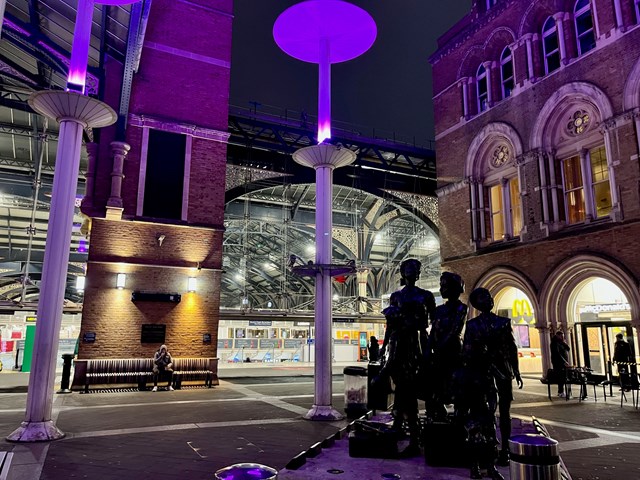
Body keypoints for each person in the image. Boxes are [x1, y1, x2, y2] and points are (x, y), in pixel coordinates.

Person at [378, 258, 436, 457]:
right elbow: (391, 325)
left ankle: (411, 433)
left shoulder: (426, 296)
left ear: (418, 273)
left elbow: (434, 323)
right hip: (400, 343)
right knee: (402, 387)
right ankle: (405, 430)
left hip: (418, 343)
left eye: (415, 268)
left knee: (413, 390)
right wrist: (384, 347)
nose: (412, 271)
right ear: (402, 272)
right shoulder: (395, 296)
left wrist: (431, 349)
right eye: (408, 268)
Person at [462, 287, 520, 480]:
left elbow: (511, 347)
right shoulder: (472, 325)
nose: (489, 300)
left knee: (505, 411)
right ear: (477, 304)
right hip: (482, 372)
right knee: (483, 415)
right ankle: (484, 458)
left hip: (503, 371)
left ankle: (504, 449)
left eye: (489, 297)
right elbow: (467, 351)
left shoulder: (503, 322)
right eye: (484, 298)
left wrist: (516, 369)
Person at [428, 271, 467, 420]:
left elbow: (454, 330)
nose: (441, 289)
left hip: (453, 350)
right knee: (436, 385)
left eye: (444, 286)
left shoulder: (461, 308)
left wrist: (439, 347)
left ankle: (459, 415)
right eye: (441, 286)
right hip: (439, 351)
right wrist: (428, 348)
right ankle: (438, 414)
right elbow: (433, 332)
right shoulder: (438, 310)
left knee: (456, 383)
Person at [550, 330, 571, 398]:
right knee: (560, 377)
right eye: (561, 336)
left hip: (563, 362)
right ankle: (560, 392)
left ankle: (563, 391)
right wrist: (564, 361)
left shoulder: (561, 342)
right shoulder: (554, 343)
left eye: (563, 336)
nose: (562, 337)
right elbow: (557, 353)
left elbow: (568, 349)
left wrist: (564, 342)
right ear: (557, 335)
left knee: (564, 377)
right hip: (558, 363)